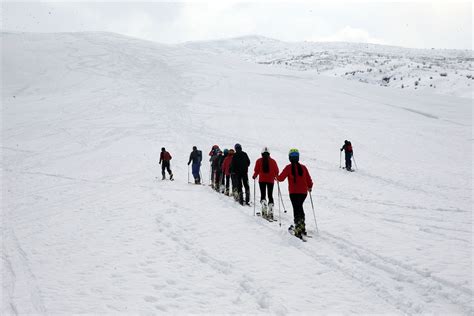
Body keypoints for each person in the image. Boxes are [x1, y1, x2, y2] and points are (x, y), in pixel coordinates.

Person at [276, 149, 313, 239]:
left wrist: (276, 177)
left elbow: (281, 178)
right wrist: (310, 187)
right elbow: (309, 179)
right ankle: (302, 226)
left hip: (293, 192)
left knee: (296, 209)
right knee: (300, 207)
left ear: (290, 158)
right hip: (303, 193)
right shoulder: (303, 167)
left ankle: (298, 227)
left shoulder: (288, 167)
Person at [252, 147, 279, 219]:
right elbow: (276, 171)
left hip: (262, 180)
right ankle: (271, 209)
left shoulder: (259, 161)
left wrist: (254, 176)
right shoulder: (273, 161)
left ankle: (264, 206)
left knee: (263, 194)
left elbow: (256, 170)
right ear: (269, 154)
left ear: (262, 153)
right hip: (270, 180)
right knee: (270, 195)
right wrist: (276, 177)